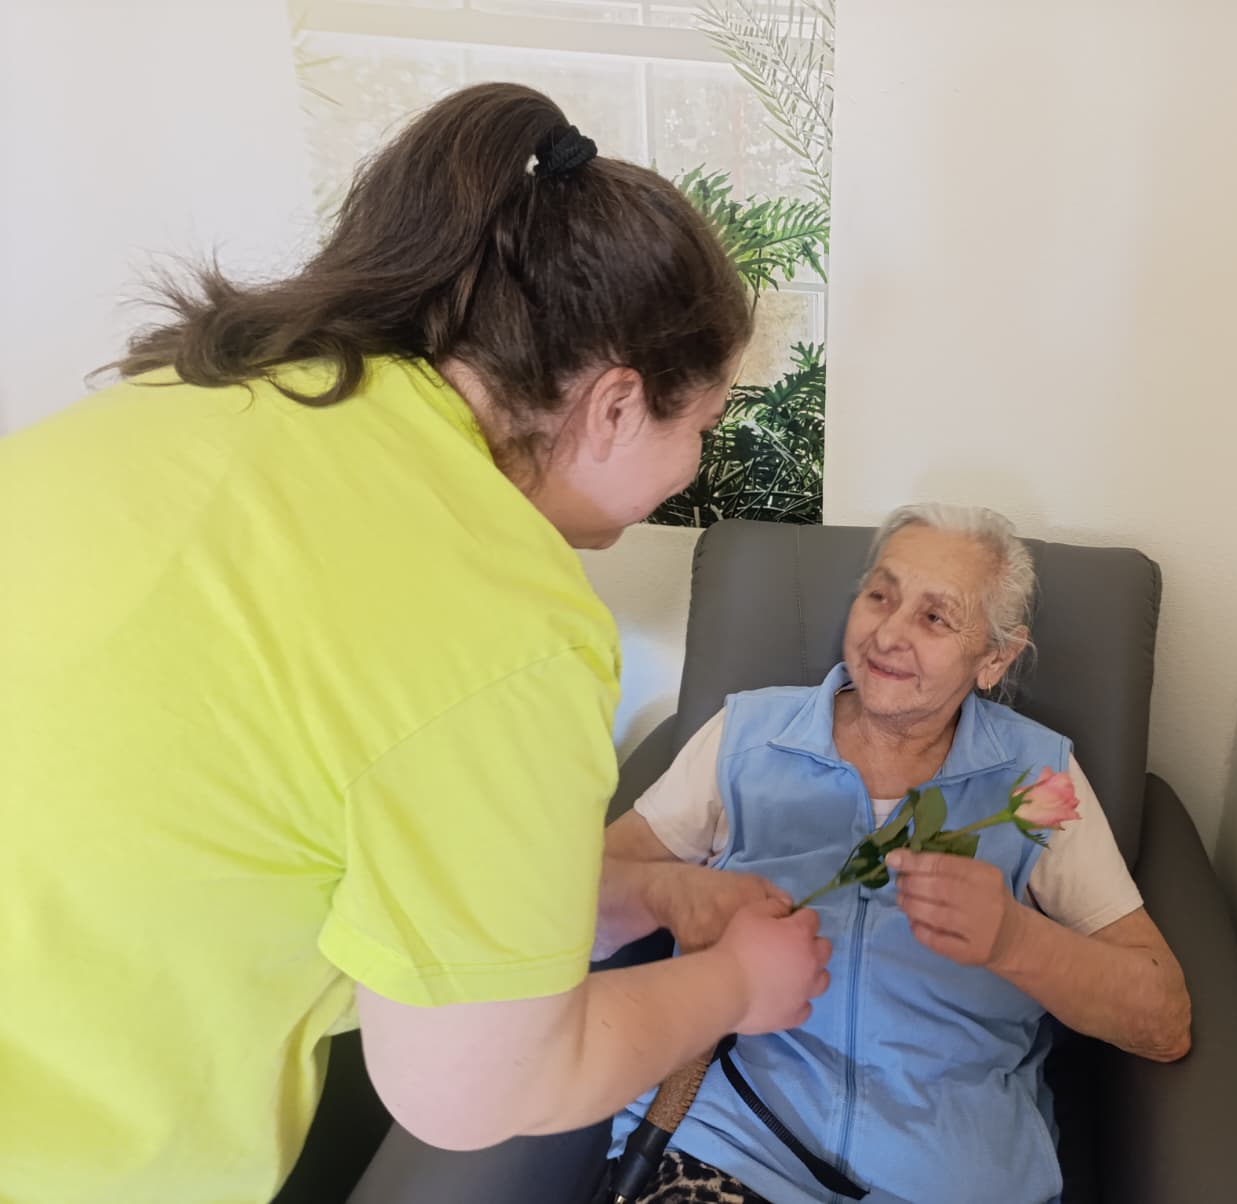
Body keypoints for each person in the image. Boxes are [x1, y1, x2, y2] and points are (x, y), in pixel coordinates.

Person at [0, 83, 829, 1204]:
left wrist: (647, 897)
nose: (693, 469)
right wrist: (737, 987)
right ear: (616, 405)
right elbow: (477, 1087)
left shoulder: (207, 396)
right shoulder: (505, 622)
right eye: (703, 427)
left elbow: (335, 814)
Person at [593, 503, 1192, 1203]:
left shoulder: (1037, 780)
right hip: (733, 1145)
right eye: (880, 595)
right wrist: (674, 896)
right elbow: (578, 901)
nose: (888, 633)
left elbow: (1164, 1021)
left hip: (951, 1180)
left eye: (935, 617)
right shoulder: (749, 736)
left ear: (994, 659)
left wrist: (1014, 939)